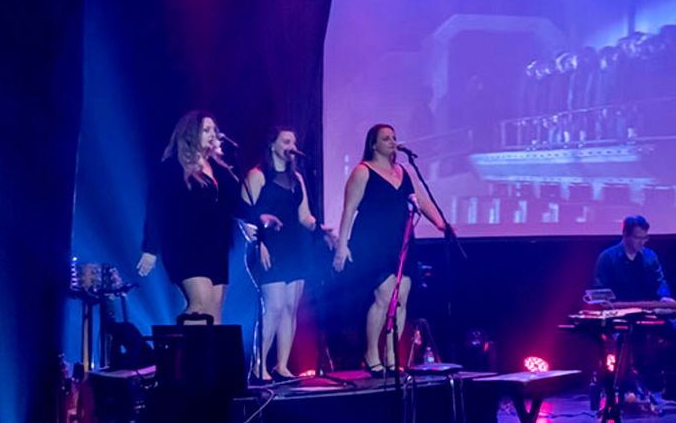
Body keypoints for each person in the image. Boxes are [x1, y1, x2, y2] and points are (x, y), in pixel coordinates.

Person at [333, 124, 448, 375]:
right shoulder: (363, 171)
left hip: (401, 242)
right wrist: (342, 245)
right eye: (386, 138)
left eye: (394, 138)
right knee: (384, 296)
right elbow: (349, 209)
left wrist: (440, 223)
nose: (392, 142)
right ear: (373, 144)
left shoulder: (404, 171)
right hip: (373, 243)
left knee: (401, 298)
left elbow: (422, 199)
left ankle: (391, 355)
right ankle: (371, 353)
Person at [137, 110, 241, 325]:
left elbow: (233, 202)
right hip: (186, 245)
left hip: (216, 246)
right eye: (206, 130)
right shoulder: (172, 167)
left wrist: (251, 221)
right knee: (200, 305)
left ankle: (209, 348)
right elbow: (156, 207)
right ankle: (184, 346)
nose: (212, 134)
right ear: (191, 133)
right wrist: (150, 248)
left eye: (214, 130)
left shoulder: (218, 168)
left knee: (214, 309)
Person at [593, 216, 676, 404]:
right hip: (622, 318)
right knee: (624, 340)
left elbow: (660, 282)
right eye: (637, 238)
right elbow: (601, 291)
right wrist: (616, 306)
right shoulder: (607, 258)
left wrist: (664, 297)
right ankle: (627, 391)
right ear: (625, 235)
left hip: (649, 314)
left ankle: (675, 390)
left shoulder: (650, 257)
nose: (642, 242)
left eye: (645, 238)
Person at [242, 127, 319, 382]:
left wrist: (322, 229)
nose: (291, 146)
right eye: (286, 141)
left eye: (293, 142)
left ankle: (282, 366)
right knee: (273, 307)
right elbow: (244, 214)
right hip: (269, 247)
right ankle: (258, 366)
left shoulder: (297, 178)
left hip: (295, 247)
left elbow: (304, 216)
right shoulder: (258, 175)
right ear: (272, 144)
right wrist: (259, 243)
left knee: (290, 307)